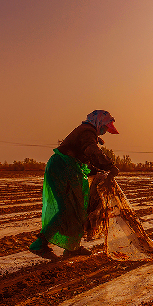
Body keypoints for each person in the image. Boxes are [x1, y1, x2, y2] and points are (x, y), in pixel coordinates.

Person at [29, 110, 120, 258]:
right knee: (68, 209)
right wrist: (109, 166)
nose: (105, 131)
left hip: (68, 169)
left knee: (77, 209)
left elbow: (85, 161)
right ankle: (40, 244)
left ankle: (72, 247)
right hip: (62, 169)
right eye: (104, 128)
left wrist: (98, 172)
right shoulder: (87, 131)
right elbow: (91, 151)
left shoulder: (88, 133)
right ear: (99, 123)